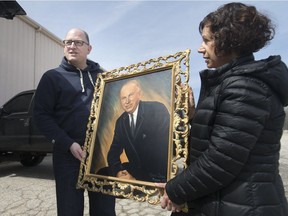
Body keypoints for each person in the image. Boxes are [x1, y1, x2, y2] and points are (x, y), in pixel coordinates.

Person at [158, 2, 288, 216]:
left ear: (230, 40)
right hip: (221, 201)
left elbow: (221, 161)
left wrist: (176, 190)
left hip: (242, 205)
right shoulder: (230, 83)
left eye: (207, 41)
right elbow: (217, 141)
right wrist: (192, 117)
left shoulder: (246, 87)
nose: (201, 48)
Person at [33, 28, 116, 216]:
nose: (72, 46)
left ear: (89, 48)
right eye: (68, 42)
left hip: (101, 156)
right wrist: (68, 143)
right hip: (68, 155)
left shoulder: (103, 78)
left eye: (78, 42)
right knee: (69, 210)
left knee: (105, 210)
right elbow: (41, 115)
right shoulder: (52, 77)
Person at [107, 79, 170, 182]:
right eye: (123, 98)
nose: (127, 101)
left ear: (139, 95)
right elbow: (113, 153)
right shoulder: (120, 122)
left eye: (130, 95)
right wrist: (119, 171)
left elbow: (168, 146)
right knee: (101, 172)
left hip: (158, 173)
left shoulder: (157, 109)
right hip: (135, 172)